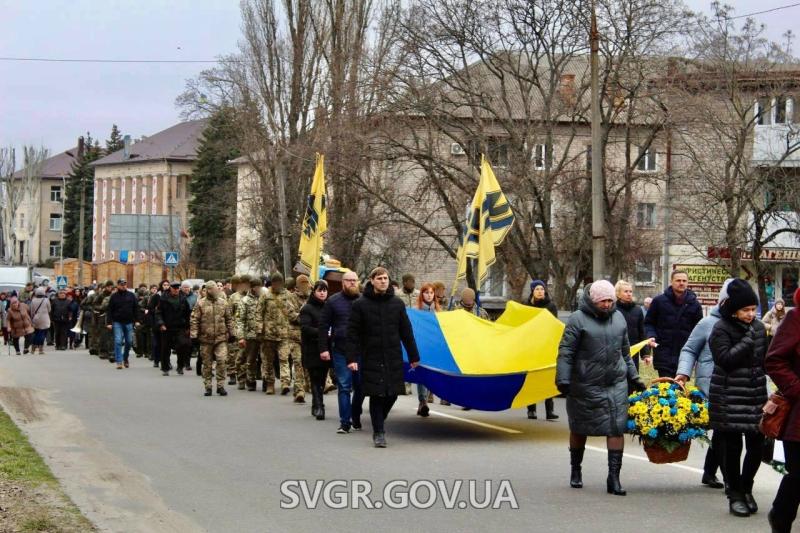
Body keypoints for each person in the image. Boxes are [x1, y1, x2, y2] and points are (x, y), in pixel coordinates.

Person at [555, 280, 645, 495]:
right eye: (603, 301)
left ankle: (613, 477)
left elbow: (625, 352)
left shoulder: (619, 318)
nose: (607, 305)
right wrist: (563, 379)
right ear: (593, 301)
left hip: (615, 383)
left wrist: (634, 376)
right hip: (585, 383)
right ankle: (576, 469)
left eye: (610, 300)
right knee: (579, 427)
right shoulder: (578, 319)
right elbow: (566, 351)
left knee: (616, 427)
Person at [708, 278, 767, 518]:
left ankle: (747, 487)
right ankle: (734, 495)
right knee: (731, 448)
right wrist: (747, 341)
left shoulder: (760, 328)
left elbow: (766, 360)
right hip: (728, 396)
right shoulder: (720, 328)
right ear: (733, 309)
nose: (751, 314)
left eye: (753, 309)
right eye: (745, 310)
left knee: (757, 446)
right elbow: (725, 360)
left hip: (755, 396)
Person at [347, 267, 421, 448]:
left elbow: (406, 331)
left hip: (392, 355)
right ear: (372, 280)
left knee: (392, 394)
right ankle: (378, 432)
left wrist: (413, 355)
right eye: (379, 278)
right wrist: (351, 358)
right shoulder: (360, 304)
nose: (383, 281)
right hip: (370, 356)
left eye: (385, 278)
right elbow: (352, 334)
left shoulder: (397, 304)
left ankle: (379, 419)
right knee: (376, 394)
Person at [676, 279, 734, 491]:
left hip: (736, 385)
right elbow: (689, 349)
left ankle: (710, 472)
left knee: (723, 431)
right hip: (711, 383)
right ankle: (730, 479)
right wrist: (683, 372)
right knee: (723, 429)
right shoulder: (707, 323)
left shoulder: (744, 325)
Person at [764, 287, 800, 533]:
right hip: (799, 417)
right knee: (799, 476)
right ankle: (780, 517)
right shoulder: (796, 318)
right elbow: (774, 360)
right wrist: (797, 388)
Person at [320, 270, 364, 434]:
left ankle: (356, 416)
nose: (352, 283)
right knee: (344, 386)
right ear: (342, 283)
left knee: (360, 386)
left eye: (355, 280)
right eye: (349, 280)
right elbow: (324, 326)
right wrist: (324, 348)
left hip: (361, 350)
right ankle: (344, 422)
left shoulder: (363, 301)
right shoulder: (333, 301)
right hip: (340, 349)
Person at [644, 270, 703, 377]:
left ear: (687, 283)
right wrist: (651, 335)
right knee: (665, 387)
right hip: (663, 352)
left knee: (680, 387)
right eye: (678, 280)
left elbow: (699, 329)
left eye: (684, 280)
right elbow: (649, 323)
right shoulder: (659, 301)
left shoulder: (694, 304)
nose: (681, 283)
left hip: (685, 354)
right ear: (671, 282)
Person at [260, 272, 306, 402]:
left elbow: (295, 312)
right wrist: (259, 330)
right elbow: (259, 313)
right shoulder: (265, 296)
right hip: (268, 334)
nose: (277, 285)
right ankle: (270, 384)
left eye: (279, 283)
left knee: (284, 358)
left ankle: (285, 383)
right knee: (268, 361)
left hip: (285, 333)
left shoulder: (288, 296)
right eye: (275, 283)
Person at [190, 280, 233, 397]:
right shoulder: (200, 304)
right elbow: (194, 320)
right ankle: (208, 386)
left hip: (221, 338)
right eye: (210, 289)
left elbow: (229, 319)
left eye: (214, 289)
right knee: (207, 364)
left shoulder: (223, 303)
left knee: (222, 360)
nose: (213, 291)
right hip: (205, 339)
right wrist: (194, 335)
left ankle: (220, 385)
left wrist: (232, 333)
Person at [526, 280, 560, 421]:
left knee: (547, 377)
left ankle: (549, 410)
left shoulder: (551, 306)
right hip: (531, 346)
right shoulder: (527, 306)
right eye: (537, 289)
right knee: (531, 378)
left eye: (542, 289)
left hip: (546, 346)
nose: (540, 291)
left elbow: (553, 325)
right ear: (532, 291)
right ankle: (531, 409)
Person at [300, 280, 330, 420]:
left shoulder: (329, 307)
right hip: (311, 347)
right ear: (314, 292)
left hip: (325, 347)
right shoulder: (307, 308)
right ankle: (319, 406)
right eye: (320, 290)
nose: (323, 293)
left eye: (324, 290)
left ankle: (315, 403)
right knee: (315, 377)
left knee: (322, 377)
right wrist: (323, 332)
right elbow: (305, 328)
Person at [615, 280, 655, 370]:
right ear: (618, 293)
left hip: (634, 349)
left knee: (632, 376)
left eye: (630, 291)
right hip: (617, 350)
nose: (629, 294)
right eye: (625, 291)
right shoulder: (613, 310)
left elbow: (642, 332)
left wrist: (645, 354)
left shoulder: (637, 310)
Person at [155, 281, 192, 377]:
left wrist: (188, 327)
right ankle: (165, 368)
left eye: (177, 288)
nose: (176, 290)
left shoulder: (183, 298)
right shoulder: (163, 298)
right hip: (167, 327)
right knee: (165, 349)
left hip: (180, 327)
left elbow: (188, 314)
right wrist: (161, 324)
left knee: (182, 346)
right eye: (174, 288)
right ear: (170, 288)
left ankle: (180, 367)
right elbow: (158, 312)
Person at [414, 283, 440, 417]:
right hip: (420, 347)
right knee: (422, 375)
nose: (429, 295)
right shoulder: (416, 311)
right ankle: (422, 401)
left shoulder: (439, 312)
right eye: (426, 292)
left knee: (433, 374)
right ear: (422, 294)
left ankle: (432, 395)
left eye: (431, 292)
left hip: (434, 347)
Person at [235, 277, 263, 391]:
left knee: (264, 360)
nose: (259, 289)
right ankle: (249, 381)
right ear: (252, 288)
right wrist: (241, 337)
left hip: (262, 335)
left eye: (260, 287)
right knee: (249, 360)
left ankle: (265, 381)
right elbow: (240, 320)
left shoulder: (263, 299)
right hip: (249, 335)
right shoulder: (244, 301)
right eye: (257, 287)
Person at [107, 278, 138, 369]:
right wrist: (109, 322)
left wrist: (137, 320)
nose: (123, 286)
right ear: (117, 286)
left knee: (129, 342)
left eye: (124, 284)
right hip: (117, 322)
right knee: (118, 341)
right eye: (121, 284)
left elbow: (136, 308)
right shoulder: (114, 296)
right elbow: (109, 310)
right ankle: (119, 362)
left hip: (129, 322)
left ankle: (125, 358)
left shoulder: (131, 295)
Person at [225, 274, 247, 386]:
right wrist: (229, 330)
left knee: (243, 354)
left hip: (245, 328)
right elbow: (229, 314)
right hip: (234, 328)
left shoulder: (248, 296)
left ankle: (242, 375)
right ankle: (232, 374)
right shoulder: (233, 297)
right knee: (232, 354)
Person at [29, 287, 51, 355]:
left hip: (36, 318)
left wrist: (33, 318)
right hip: (45, 318)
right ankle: (40, 349)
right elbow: (49, 309)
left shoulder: (33, 300)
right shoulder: (46, 300)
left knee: (36, 333)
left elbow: (32, 311)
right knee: (42, 334)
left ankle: (33, 348)